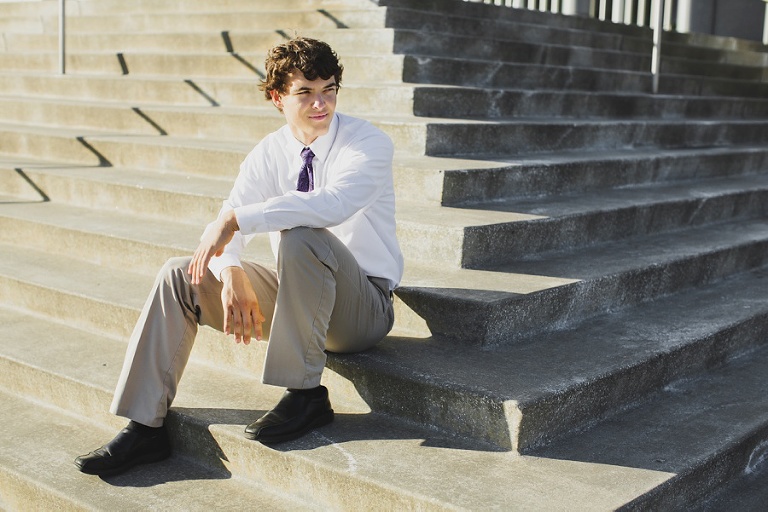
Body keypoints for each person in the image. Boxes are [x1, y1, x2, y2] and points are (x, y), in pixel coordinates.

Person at [74, 36, 403, 477]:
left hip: (362, 308)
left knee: (302, 234)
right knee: (179, 275)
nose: (321, 103)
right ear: (277, 98)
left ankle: (305, 395)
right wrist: (230, 272)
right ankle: (145, 426)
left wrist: (234, 219)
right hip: (299, 294)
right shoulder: (268, 152)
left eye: (329, 89)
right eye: (304, 92)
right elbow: (226, 231)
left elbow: (333, 204)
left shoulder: (368, 143)